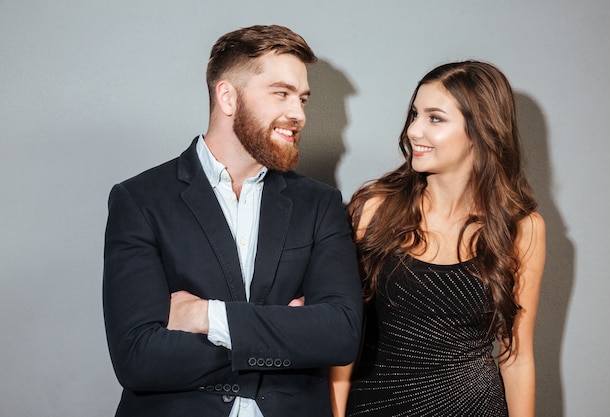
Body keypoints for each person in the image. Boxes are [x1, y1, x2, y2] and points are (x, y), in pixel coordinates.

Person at [103, 25, 363, 417]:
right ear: (227, 96)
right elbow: (138, 360)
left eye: (302, 99)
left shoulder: (319, 203)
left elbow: (340, 336)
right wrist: (286, 334)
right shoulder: (140, 200)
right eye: (281, 93)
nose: (298, 114)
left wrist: (209, 317)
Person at [329, 61, 546, 417]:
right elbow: (343, 338)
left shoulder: (523, 228)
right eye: (415, 114)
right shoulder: (374, 210)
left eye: (435, 118)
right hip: (373, 405)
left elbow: (517, 356)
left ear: (481, 129)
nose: (414, 130)